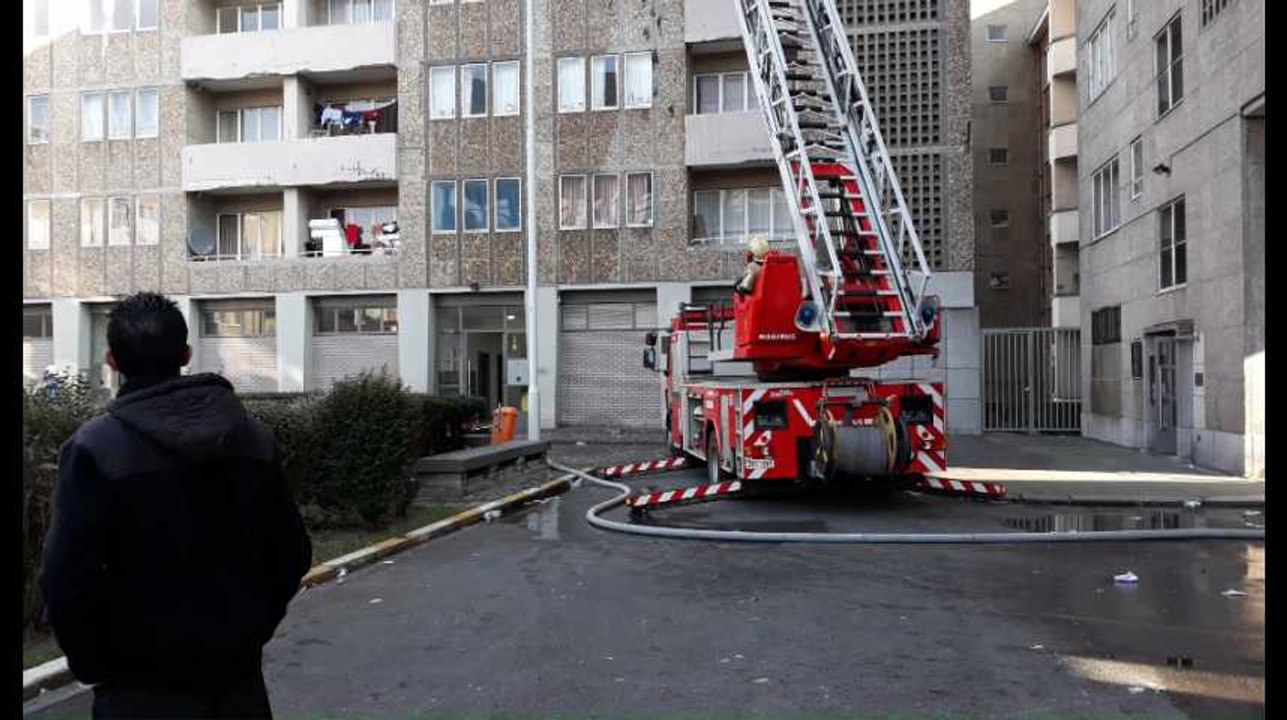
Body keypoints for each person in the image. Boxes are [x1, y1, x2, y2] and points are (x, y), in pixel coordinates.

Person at [40, 292, 313, 720]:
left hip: (136, 692)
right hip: (237, 685)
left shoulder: (95, 449)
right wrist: (249, 629)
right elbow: (291, 553)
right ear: (186, 353)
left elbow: (66, 579)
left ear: (111, 360)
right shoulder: (254, 439)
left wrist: (94, 664)